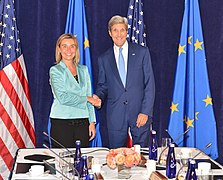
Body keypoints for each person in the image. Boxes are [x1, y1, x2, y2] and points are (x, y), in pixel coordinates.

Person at [94, 15, 155, 148]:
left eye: (122, 30)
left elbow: (149, 84)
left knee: (141, 158)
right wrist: (98, 97)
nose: (119, 34)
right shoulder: (104, 59)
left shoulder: (142, 52)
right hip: (115, 116)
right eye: (115, 30)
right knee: (117, 160)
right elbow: (103, 86)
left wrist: (145, 111)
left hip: (140, 114)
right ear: (110, 33)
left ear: (127, 31)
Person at [49, 33, 101, 148]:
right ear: (59, 49)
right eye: (64, 46)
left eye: (72, 46)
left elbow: (89, 96)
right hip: (61, 123)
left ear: (76, 49)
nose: (69, 50)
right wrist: (88, 99)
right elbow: (63, 98)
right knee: (63, 162)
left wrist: (91, 122)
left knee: (81, 162)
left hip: (83, 123)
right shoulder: (55, 70)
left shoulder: (83, 70)